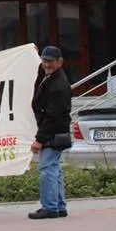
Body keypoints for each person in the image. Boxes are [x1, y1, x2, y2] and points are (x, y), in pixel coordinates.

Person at [29, 45, 72, 220]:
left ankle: (49, 208)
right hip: (55, 131)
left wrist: (39, 139)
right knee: (54, 168)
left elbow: (53, 116)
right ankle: (59, 206)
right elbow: (39, 70)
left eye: (50, 61)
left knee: (48, 168)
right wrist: (31, 52)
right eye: (44, 60)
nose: (46, 64)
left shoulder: (58, 86)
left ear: (60, 62)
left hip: (52, 132)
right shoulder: (51, 76)